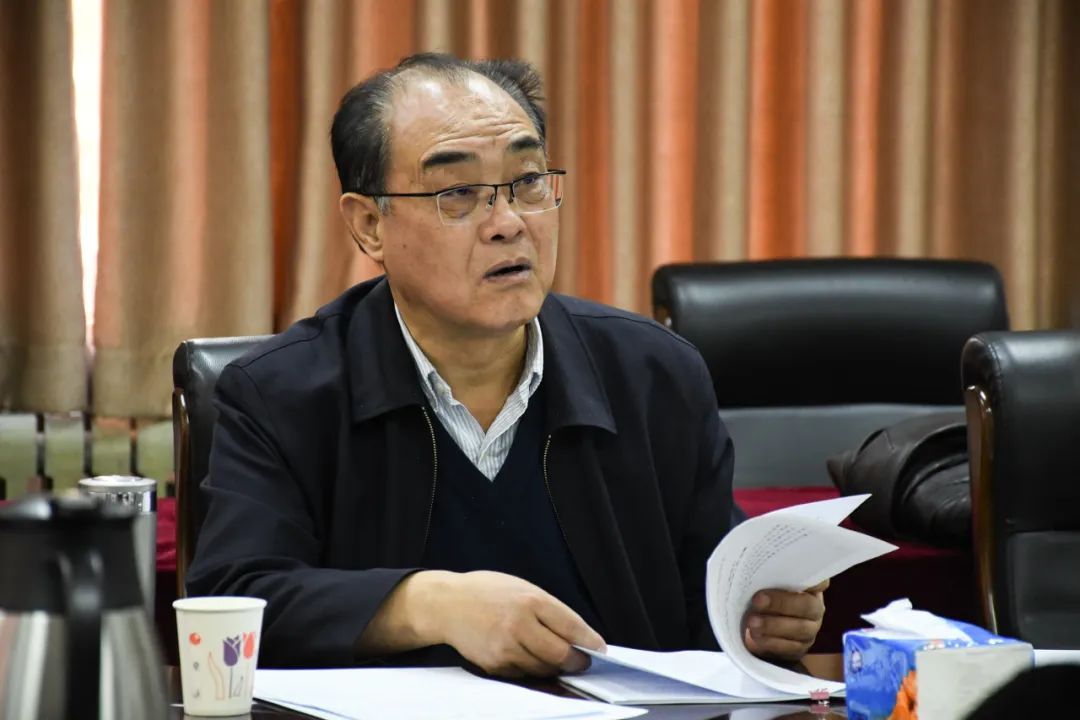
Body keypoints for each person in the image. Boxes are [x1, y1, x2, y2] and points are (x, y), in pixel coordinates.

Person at [187, 53, 827, 677]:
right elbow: (233, 601)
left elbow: (710, 606)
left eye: (528, 183)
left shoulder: (655, 376)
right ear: (369, 225)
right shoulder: (281, 392)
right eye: (459, 193)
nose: (508, 223)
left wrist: (758, 621)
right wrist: (429, 604)